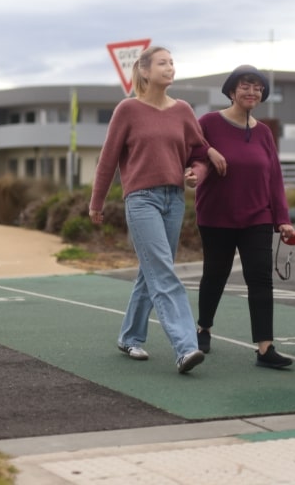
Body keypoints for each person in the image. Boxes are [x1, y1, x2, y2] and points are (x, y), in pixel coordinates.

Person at [88, 46, 224, 374]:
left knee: (150, 271)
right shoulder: (128, 110)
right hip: (141, 199)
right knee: (163, 271)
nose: (170, 67)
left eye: (172, 62)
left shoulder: (183, 110)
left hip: (174, 199)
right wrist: (97, 202)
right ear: (145, 72)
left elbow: (198, 151)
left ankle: (130, 336)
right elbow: (107, 159)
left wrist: (198, 172)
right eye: (163, 63)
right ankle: (186, 346)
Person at [193, 65, 295, 369]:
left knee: (260, 279)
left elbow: (274, 178)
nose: (252, 92)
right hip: (216, 215)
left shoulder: (264, 132)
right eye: (246, 86)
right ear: (232, 91)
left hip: (257, 217)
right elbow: (192, 149)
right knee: (215, 275)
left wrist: (283, 219)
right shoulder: (209, 123)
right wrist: (209, 152)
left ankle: (265, 348)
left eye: (258, 88)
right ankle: (204, 328)